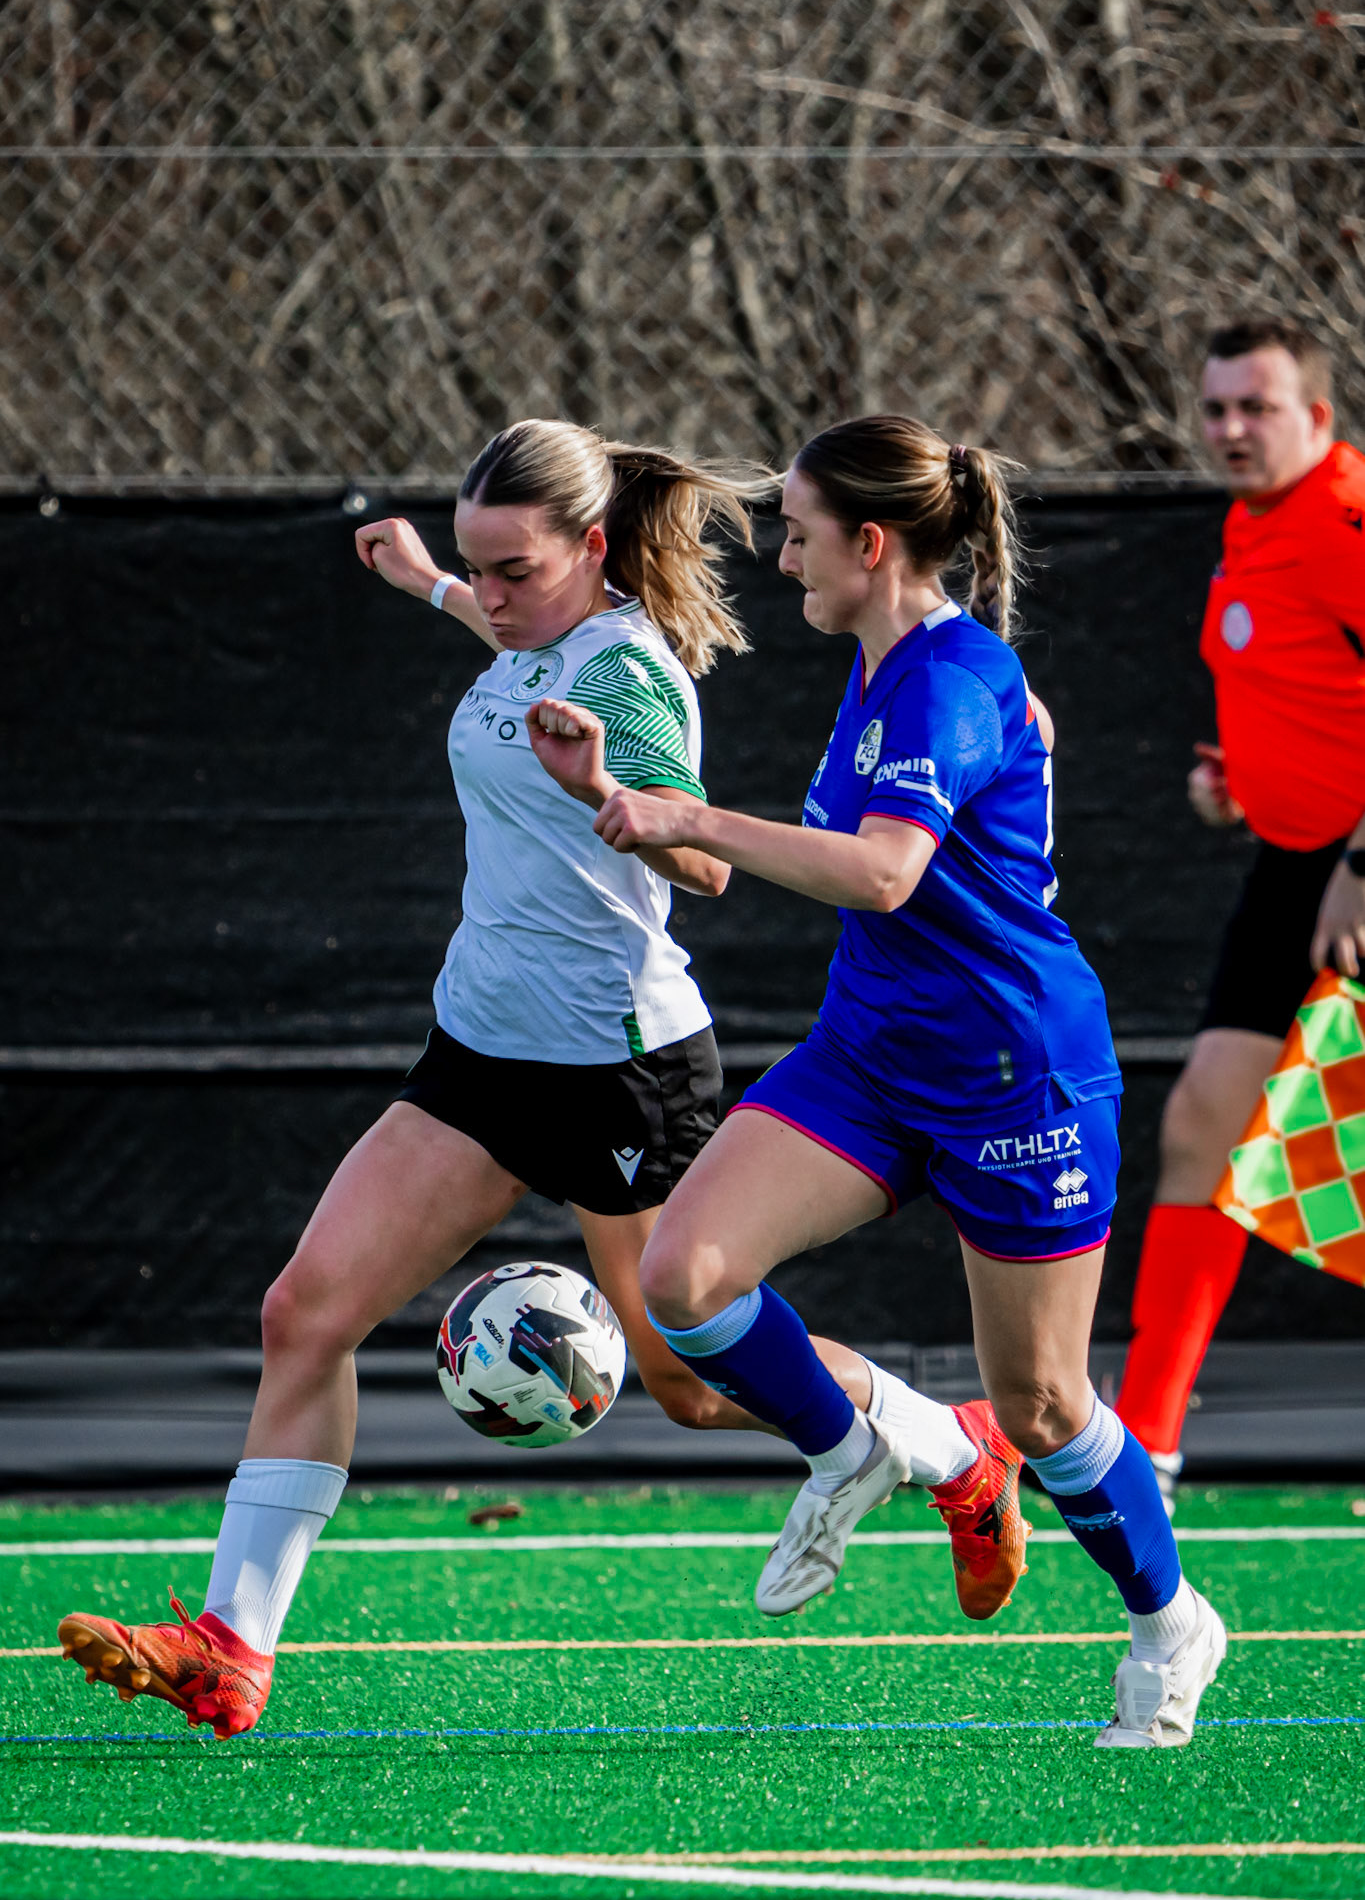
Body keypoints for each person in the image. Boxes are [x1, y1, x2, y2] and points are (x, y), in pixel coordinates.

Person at [55, 418, 928, 1740]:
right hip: (479, 1057)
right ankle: (230, 1653)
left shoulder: (629, 678)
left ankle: (947, 1445)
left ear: (590, 549)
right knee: (303, 1313)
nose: (496, 595)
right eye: (481, 568)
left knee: (693, 1385)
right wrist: (431, 585)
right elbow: (515, 640)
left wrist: (609, 796)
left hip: (621, 1075)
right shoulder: (529, 624)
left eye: (512, 570)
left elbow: (701, 865)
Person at [535, 415, 1226, 1748]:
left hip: (1012, 1077)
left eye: (797, 533)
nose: (780, 554)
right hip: (870, 1051)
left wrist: (684, 813)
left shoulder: (950, 680)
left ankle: (1168, 1619)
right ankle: (858, 1445)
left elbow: (885, 872)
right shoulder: (881, 664)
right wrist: (618, 787)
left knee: (1041, 1403)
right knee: (684, 1279)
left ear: (869, 543)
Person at [1116, 318, 1365, 1511]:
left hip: (1349, 872)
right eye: (1215, 407)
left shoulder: (1347, 519)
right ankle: (1144, 1444)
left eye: (1255, 407)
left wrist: (1359, 865)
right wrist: (1242, 780)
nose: (1229, 428)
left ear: (1319, 416)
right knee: (1203, 1122)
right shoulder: (1251, 521)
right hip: (1292, 862)